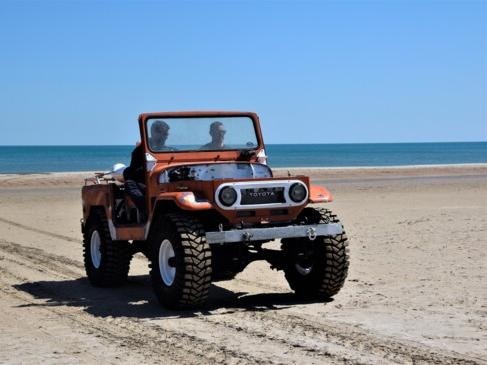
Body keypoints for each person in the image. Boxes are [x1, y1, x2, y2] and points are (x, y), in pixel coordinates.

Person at [123, 120, 172, 222]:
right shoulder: (140, 151)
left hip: (166, 183)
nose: (166, 137)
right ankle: (147, 211)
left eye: (166, 134)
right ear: (154, 132)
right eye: (163, 133)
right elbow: (136, 172)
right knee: (130, 182)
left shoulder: (170, 150)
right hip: (144, 183)